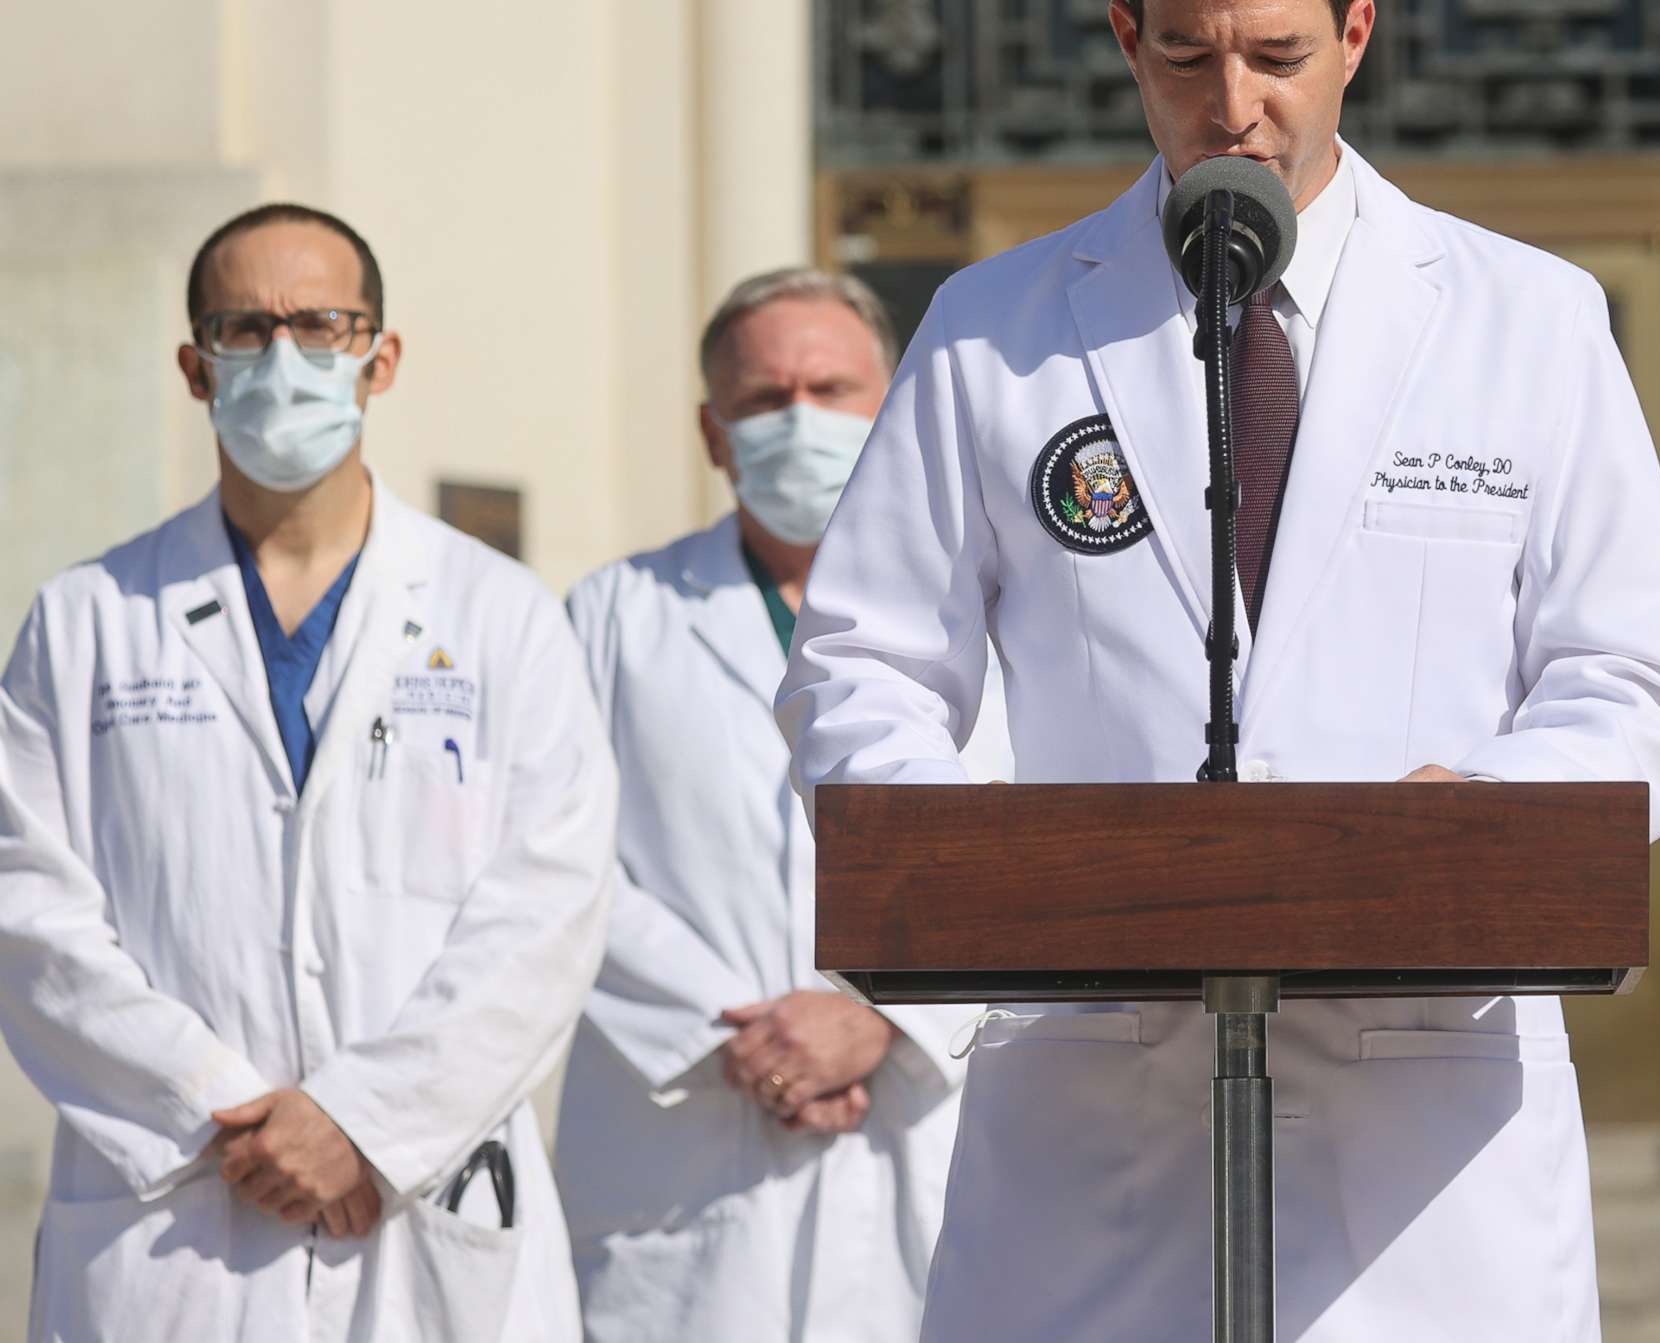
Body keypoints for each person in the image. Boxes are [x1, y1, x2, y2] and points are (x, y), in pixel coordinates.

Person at [775, 0, 1660, 1340]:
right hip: (1098, 1093)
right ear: (1124, 37)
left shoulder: (1525, 319)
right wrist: (984, 861)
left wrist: (1476, 804)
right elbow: (860, 665)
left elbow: (1634, 680)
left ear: (1355, 34)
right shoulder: (995, 325)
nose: (1233, 107)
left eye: (1276, 52)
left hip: (1422, 1115)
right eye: (1188, 56)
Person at [0, 203, 616, 1341]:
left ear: (379, 357)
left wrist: (366, 1121)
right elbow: (28, 911)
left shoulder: (499, 616)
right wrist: (218, 1111)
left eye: (321, 325)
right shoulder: (86, 620)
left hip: (423, 1201)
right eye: (245, 328)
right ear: (196, 367)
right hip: (179, 1207)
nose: (285, 358)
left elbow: (550, 905)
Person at [558, 267, 1007, 1342]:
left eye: (831, 387)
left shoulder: (1003, 615)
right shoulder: (613, 614)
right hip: (688, 1147)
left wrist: (879, 1015)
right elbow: (552, 857)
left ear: (894, 404)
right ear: (714, 434)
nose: (799, 418)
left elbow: (1039, 847)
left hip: (929, 1135)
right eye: (764, 399)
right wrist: (743, 1032)